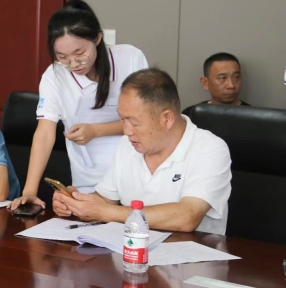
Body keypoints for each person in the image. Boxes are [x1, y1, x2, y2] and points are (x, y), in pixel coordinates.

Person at [52, 68, 232, 235]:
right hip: (130, 250)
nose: (126, 131)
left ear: (167, 118)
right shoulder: (127, 144)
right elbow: (105, 200)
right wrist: (76, 202)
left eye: (135, 123)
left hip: (191, 256)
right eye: (122, 120)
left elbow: (187, 217)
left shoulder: (210, 149)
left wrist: (107, 213)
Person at [8, 0, 148, 211]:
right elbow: (44, 133)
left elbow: (146, 120)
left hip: (137, 177)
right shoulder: (54, 77)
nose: (73, 64)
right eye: (62, 57)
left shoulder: (129, 58)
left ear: (97, 38)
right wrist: (29, 191)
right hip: (89, 183)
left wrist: (96, 131)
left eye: (80, 53)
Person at [182, 52, 250, 117]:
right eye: (222, 78)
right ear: (205, 83)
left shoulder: (252, 115)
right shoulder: (191, 114)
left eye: (236, 77)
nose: (231, 85)